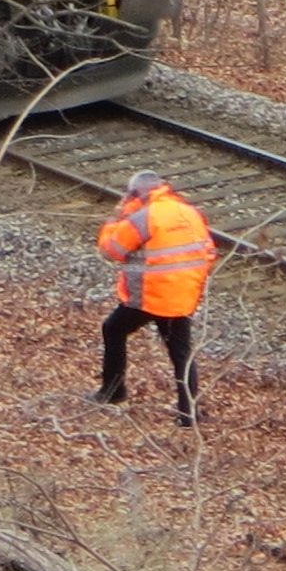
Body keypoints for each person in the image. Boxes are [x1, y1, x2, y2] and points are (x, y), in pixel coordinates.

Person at [94, 170, 215, 422]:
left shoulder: (142, 217)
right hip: (183, 293)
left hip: (150, 295)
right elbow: (209, 252)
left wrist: (116, 218)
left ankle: (113, 390)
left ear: (136, 193)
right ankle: (189, 413)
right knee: (181, 353)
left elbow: (111, 250)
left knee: (113, 329)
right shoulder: (189, 211)